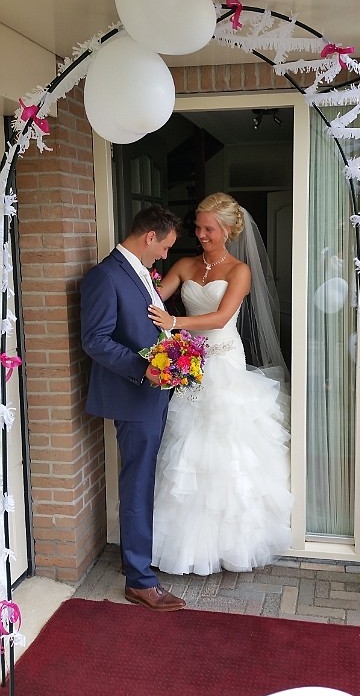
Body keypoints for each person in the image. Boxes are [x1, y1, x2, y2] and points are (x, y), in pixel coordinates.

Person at [148, 193, 292, 575]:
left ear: (228, 230)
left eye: (209, 228)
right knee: (188, 442)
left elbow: (221, 317)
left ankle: (232, 543)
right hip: (191, 361)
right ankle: (186, 546)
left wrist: (174, 323)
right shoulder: (185, 264)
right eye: (198, 227)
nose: (200, 234)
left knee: (226, 440)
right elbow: (154, 298)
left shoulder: (239, 271)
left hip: (224, 359)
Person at [80, 205, 186, 612]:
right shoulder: (105, 276)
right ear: (149, 237)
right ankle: (140, 582)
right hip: (134, 393)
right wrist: (145, 369)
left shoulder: (139, 270)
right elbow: (96, 340)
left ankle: (135, 561)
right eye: (165, 246)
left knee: (142, 479)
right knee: (137, 483)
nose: (165, 255)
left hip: (152, 393)